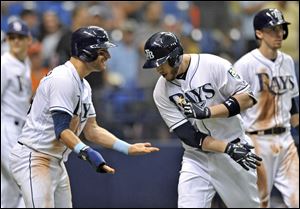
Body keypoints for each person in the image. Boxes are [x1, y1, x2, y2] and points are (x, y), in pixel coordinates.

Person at [9, 26, 160, 208]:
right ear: (86, 52)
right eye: (102, 51)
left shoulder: (83, 85)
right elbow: (62, 129)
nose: (108, 57)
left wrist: (127, 148)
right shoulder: (62, 78)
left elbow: (92, 130)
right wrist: (88, 153)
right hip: (34, 157)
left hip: (54, 160)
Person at [142, 31, 262, 208]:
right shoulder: (161, 91)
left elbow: (248, 98)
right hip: (197, 157)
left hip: (235, 150)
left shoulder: (213, 64)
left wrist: (207, 112)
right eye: (155, 65)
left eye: (161, 63)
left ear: (175, 57)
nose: (158, 69)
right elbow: (189, 136)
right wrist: (226, 148)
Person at [234, 8, 299, 208]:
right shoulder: (244, 64)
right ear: (259, 33)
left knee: (297, 199)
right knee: (260, 201)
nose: (279, 34)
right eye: (272, 29)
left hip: (285, 138)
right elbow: (233, 104)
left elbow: (293, 101)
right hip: (256, 139)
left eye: (281, 29)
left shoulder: (287, 61)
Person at [1, 19, 32, 208]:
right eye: (12, 38)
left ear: (29, 40)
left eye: (20, 37)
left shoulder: (24, 62)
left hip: (19, 129)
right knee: (26, 181)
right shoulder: (4, 64)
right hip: (6, 127)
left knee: (9, 187)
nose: (16, 42)